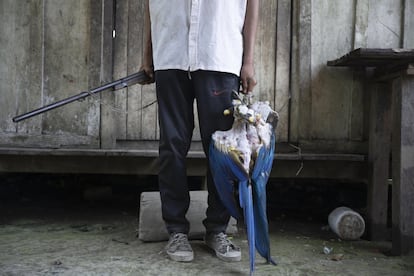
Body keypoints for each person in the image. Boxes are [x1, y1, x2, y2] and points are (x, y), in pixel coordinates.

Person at [140, 0, 259, 263]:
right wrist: (148, 53)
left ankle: (216, 229)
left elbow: (252, 4)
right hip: (171, 54)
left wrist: (248, 60)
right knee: (171, 145)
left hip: (218, 53)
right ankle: (176, 230)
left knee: (221, 150)